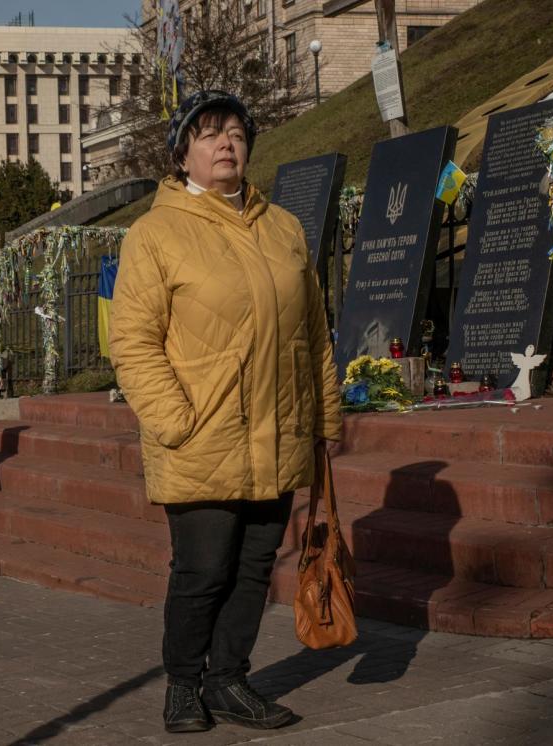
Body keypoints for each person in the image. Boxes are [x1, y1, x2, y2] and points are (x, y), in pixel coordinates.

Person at [109, 90, 342, 733]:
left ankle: (230, 680)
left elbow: (315, 333)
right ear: (182, 152)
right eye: (209, 134)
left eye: (236, 132)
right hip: (203, 437)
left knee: (254, 568)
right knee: (203, 570)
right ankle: (183, 686)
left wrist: (324, 419)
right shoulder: (155, 234)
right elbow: (131, 341)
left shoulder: (283, 227)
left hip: (278, 429)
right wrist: (175, 421)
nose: (226, 144)